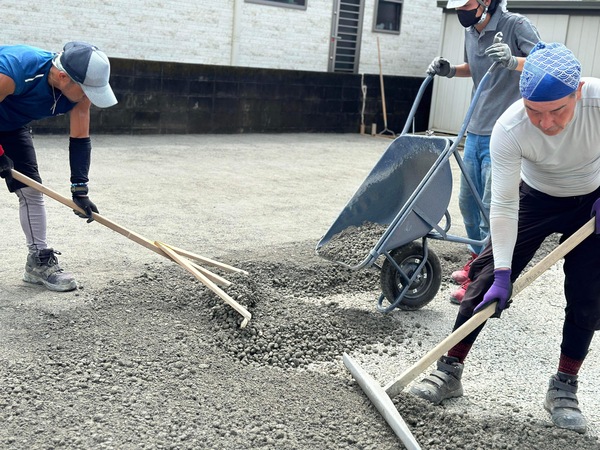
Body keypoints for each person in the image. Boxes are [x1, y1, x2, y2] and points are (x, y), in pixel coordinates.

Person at [409, 42, 600, 434]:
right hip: (535, 198)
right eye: (535, 112)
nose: (546, 123)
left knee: (587, 296)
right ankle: (449, 370)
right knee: (482, 283)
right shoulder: (509, 128)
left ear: (578, 92)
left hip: (593, 200)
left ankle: (563, 385)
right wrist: (501, 272)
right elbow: (504, 206)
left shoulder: (598, 102)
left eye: (558, 111)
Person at [427, 0, 540, 304]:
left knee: (495, 207)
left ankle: (486, 278)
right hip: (475, 129)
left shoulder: (516, 26)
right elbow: (473, 69)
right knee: (468, 203)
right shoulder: (472, 31)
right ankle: (477, 262)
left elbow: (545, 63)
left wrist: (512, 60)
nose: (461, 10)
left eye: (467, 4)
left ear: (487, 1)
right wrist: (449, 70)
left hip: (507, 131)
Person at [0, 41, 117, 292]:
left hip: (10, 125)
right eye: (86, 91)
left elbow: (79, 139)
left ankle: (38, 261)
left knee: (31, 190)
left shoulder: (78, 95)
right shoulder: (15, 70)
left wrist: (80, 189)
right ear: (63, 77)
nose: (89, 97)